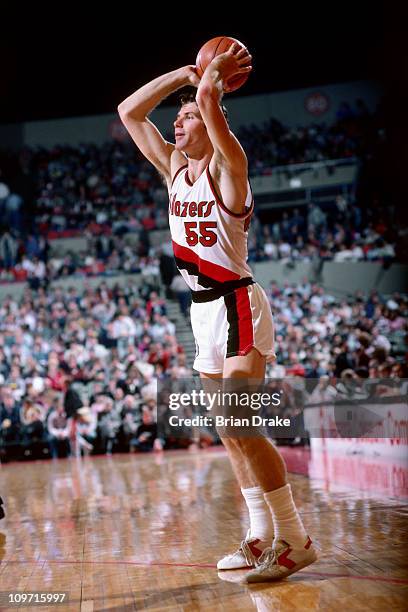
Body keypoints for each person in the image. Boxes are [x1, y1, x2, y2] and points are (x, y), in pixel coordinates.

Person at [118, 42, 317, 582]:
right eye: (177, 118)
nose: (176, 124)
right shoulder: (174, 171)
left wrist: (209, 84)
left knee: (238, 420)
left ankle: (295, 539)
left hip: (237, 302)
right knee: (226, 431)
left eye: (185, 117)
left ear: (210, 124)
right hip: (202, 311)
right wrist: (181, 75)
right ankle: (259, 537)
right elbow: (128, 113)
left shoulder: (230, 167)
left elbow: (208, 104)